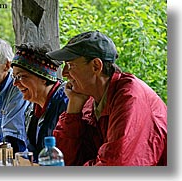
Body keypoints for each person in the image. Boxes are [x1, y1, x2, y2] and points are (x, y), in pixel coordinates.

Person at [46, 30, 167, 166]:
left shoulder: (130, 97)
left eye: (71, 65)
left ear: (96, 66)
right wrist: (74, 106)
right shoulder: (90, 102)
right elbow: (62, 160)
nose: (64, 73)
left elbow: (115, 165)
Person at [11, 42, 69, 162]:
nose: (15, 83)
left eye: (21, 76)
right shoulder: (32, 108)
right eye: (14, 77)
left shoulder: (67, 103)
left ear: (43, 77)